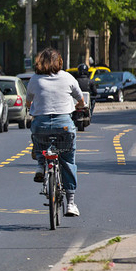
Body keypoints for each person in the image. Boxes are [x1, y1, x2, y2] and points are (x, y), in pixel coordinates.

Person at [25, 48, 85, 218]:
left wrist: (35, 106)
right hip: (63, 126)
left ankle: (40, 166)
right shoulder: (67, 77)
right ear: (59, 61)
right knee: (68, 160)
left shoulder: (35, 79)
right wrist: (79, 106)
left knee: (38, 139)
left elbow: (28, 101)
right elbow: (80, 99)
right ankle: (71, 203)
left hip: (41, 124)